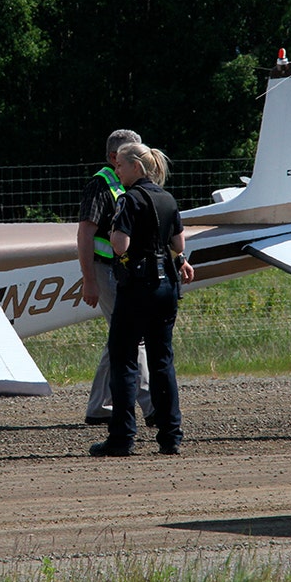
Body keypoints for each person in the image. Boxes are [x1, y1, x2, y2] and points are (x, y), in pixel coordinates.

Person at [89, 143, 194, 457]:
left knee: (124, 360)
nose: (117, 171)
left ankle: (121, 437)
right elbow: (178, 242)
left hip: (137, 286)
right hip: (167, 286)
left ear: (136, 166)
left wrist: (111, 233)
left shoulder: (128, 199)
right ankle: (170, 435)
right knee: (162, 361)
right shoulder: (167, 198)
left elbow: (120, 246)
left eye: (120, 165)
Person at [77, 129, 155, 427]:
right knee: (133, 337)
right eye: (131, 152)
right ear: (114, 158)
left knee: (121, 338)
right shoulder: (100, 186)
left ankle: (99, 406)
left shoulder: (127, 186)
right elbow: (85, 234)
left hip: (119, 271)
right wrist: (89, 280)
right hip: (105, 270)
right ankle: (152, 406)